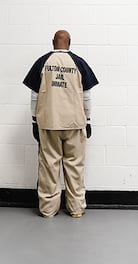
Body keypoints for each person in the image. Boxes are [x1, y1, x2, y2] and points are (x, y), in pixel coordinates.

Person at [23, 30, 98, 218]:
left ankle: (48, 209)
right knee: (75, 166)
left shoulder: (42, 62)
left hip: (49, 123)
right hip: (74, 123)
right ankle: (76, 208)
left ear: (52, 42)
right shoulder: (79, 63)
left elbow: (34, 95)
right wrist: (87, 120)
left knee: (49, 166)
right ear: (70, 43)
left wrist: (34, 121)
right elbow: (86, 96)